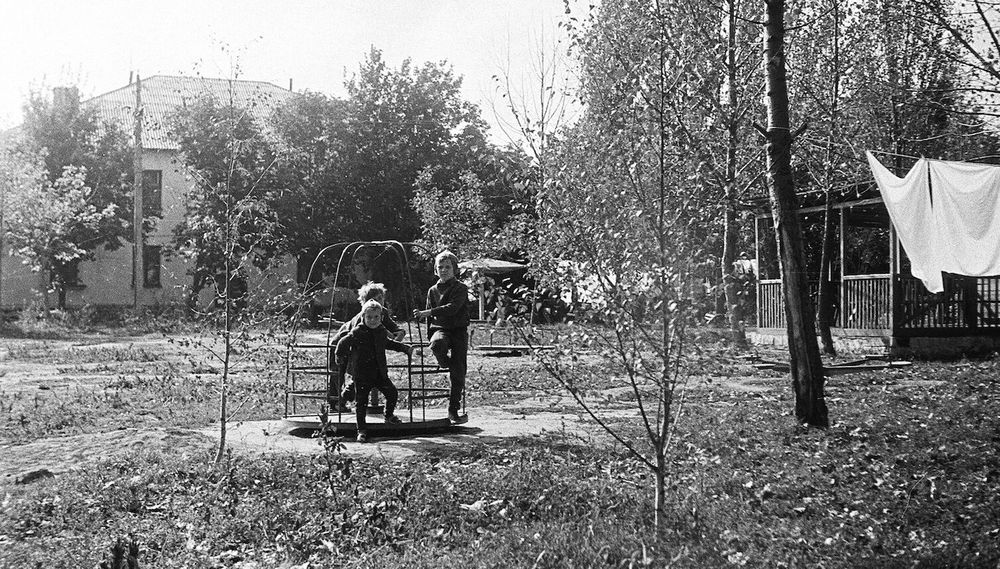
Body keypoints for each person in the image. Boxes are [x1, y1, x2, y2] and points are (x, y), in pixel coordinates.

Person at [335, 300, 413, 443]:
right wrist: (339, 355)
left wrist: (404, 348)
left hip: (379, 372)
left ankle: (388, 415)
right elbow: (343, 342)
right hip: (362, 373)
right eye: (369, 317)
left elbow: (388, 343)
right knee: (361, 403)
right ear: (363, 317)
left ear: (381, 317)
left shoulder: (381, 331)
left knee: (392, 393)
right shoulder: (358, 332)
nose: (372, 320)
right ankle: (361, 431)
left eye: (376, 317)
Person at [328, 282, 405, 410]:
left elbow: (393, 327)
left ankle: (343, 399)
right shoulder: (364, 316)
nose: (379, 302)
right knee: (339, 373)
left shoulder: (381, 312)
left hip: (357, 347)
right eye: (375, 299)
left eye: (381, 298)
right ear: (366, 301)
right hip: (341, 344)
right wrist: (386, 333)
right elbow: (357, 335)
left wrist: (400, 333)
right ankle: (335, 403)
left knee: (363, 374)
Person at [413, 250, 469, 424]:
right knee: (437, 344)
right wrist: (430, 333)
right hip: (441, 329)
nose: (444, 270)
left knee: (458, 371)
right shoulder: (432, 290)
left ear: (455, 269)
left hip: (458, 330)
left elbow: (453, 308)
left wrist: (428, 312)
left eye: (448, 267)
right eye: (440, 267)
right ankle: (444, 361)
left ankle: (453, 409)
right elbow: (429, 320)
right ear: (435, 270)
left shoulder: (460, 288)